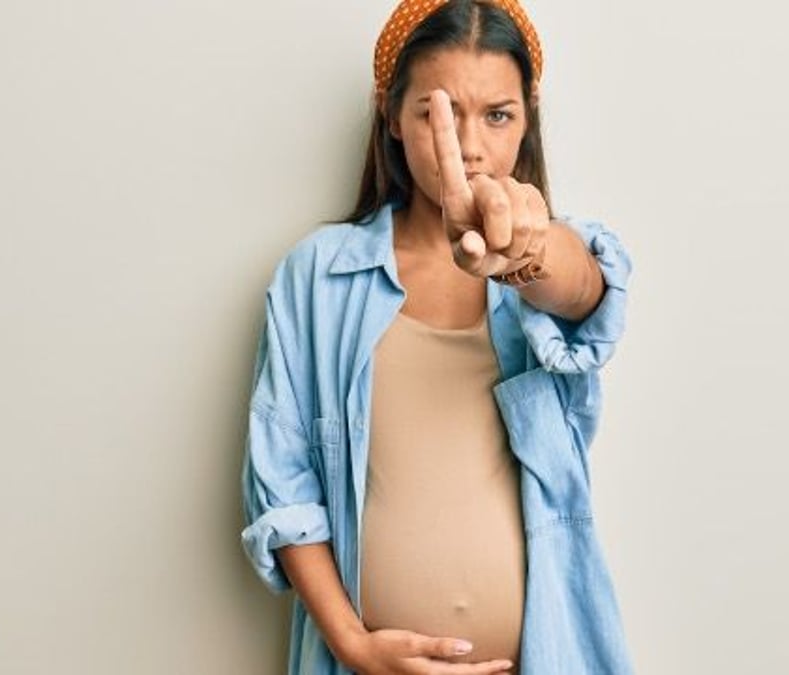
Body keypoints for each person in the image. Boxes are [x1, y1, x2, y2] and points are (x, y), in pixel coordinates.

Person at [240, 1, 635, 672]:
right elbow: (283, 483)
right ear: (391, 113)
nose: (471, 146)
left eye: (497, 115)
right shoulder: (320, 276)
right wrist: (355, 644)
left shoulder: (543, 261)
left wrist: (523, 252)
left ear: (528, 116)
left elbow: (584, 292)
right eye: (439, 113)